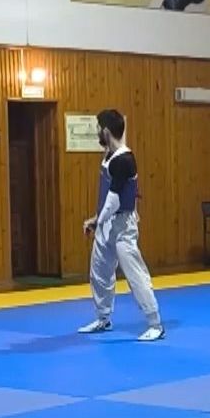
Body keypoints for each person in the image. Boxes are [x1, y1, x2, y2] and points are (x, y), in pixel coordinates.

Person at [79, 109, 165, 340]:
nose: (97, 132)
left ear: (106, 131)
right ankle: (103, 318)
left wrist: (96, 220)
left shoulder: (124, 160)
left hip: (122, 226)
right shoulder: (109, 156)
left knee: (135, 273)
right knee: (99, 271)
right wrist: (98, 220)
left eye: (98, 128)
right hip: (107, 223)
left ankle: (155, 323)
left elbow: (114, 199)